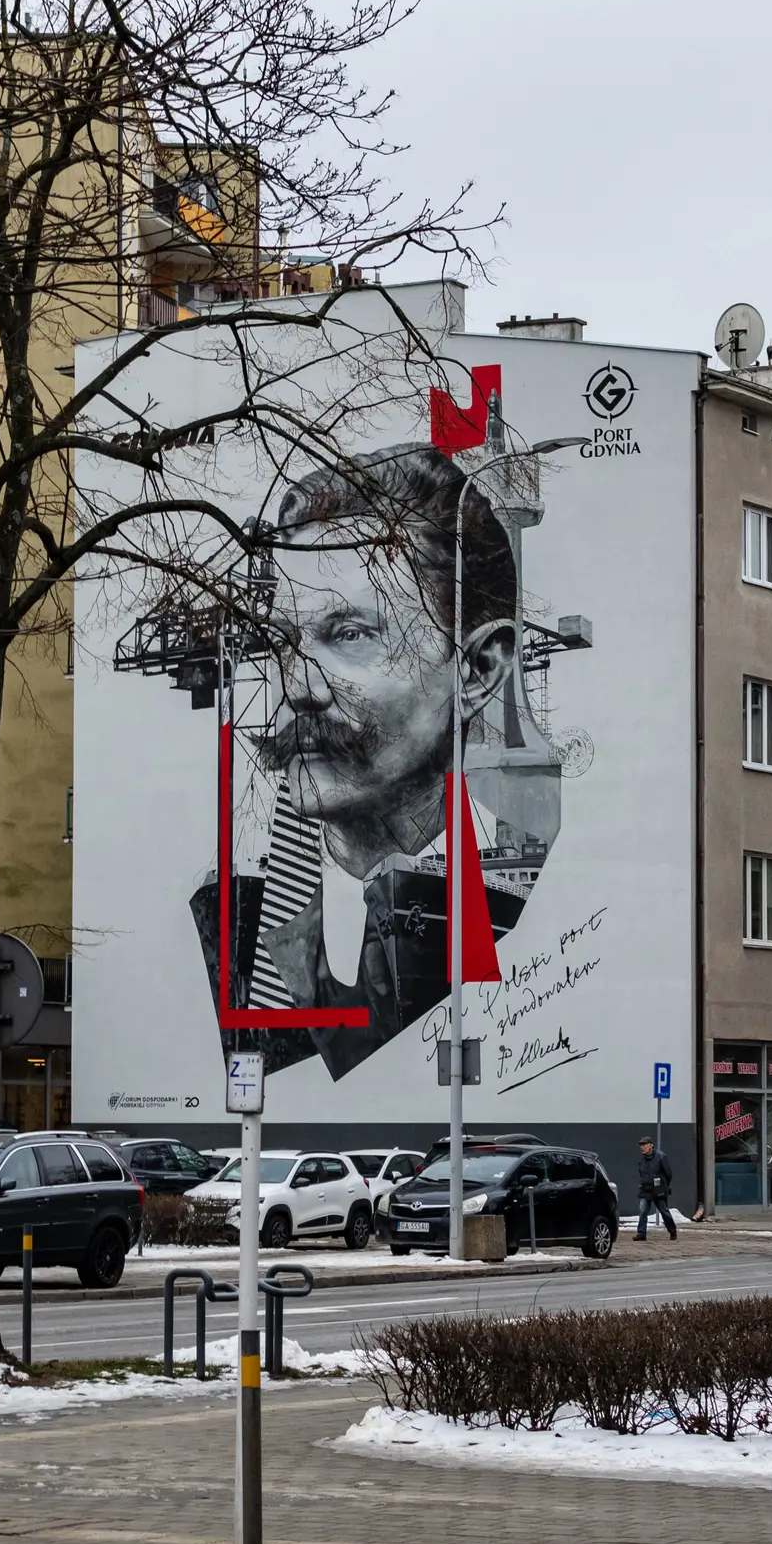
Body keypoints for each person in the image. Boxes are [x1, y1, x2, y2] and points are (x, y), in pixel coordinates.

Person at [189, 439, 558, 1078]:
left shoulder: (522, 909)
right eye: (280, 642)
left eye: (350, 635)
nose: (297, 687)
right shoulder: (233, 920)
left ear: (477, 669)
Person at [635, 1135, 677, 1241]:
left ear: (651, 1146)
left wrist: (665, 1186)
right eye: (641, 1146)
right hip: (646, 1189)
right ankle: (641, 1233)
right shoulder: (642, 1160)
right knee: (643, 1211)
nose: (642, 1148)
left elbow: (668, 1173)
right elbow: (642, 1173)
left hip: (659, 1190)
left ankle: (672, 1230)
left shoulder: (661, 1157)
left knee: (664, 1211)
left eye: (644, 1145)